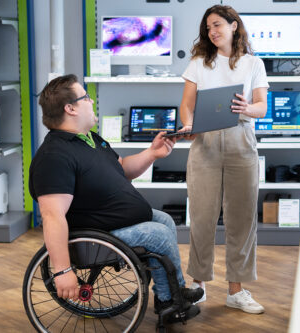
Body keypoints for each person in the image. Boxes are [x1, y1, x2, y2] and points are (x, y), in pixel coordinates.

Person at [28, 74, 203, 320]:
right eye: (86, 97)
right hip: (92, 240)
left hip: (112, 225)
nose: (91, 101)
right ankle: (171, 300)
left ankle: (169, 296)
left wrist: (152, 153)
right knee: (158, 233)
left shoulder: (90, 140)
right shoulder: (54, 156)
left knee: (163, 219)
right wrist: (63, 271)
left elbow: (123, 169)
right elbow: (52, 215)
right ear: (70, 108)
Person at [177, 5, 269, 314]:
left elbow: (261, 108)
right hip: (205, 140)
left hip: (241, 138)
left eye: (217, 25)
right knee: (202, 216)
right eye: (208, 27)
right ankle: (198, 285)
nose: (212, 31)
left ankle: (236, 289)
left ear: (234, 26)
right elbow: (186, 106)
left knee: (241, 219)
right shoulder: (199, 64)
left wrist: (245, 108)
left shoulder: (253, 64)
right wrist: (188, 125)